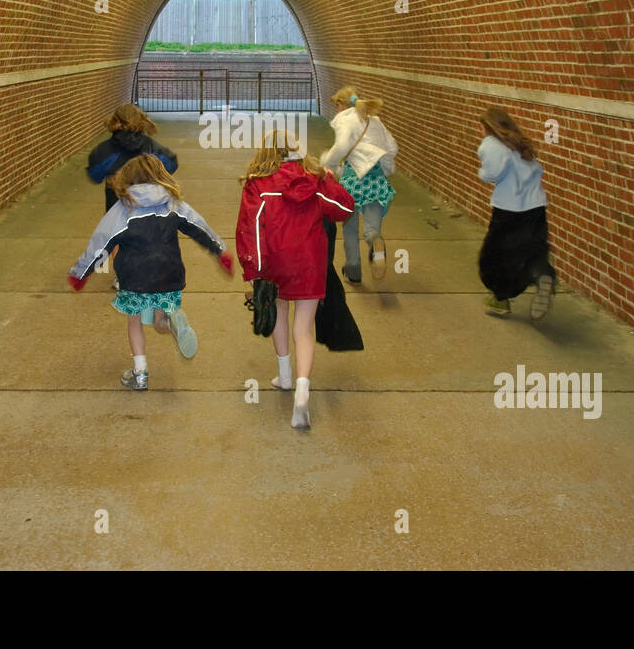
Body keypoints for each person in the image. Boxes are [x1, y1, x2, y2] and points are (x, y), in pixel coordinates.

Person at [69, 154, 232, 390]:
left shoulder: (123, 209)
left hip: (135, 278)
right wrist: (220, 252)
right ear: (161, 176)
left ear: (127, 179)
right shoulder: (173, 203)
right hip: (169, 274)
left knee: (134, 322)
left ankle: (140, 373)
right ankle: (172, 322)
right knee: (159, 321)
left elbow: (101, 244)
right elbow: (199, 227)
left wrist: (80, 274)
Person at [236, 131, 354, 428]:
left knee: (278, 313)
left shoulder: (257, 183)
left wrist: (253, 270)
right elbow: (344, 209)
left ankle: (285, 375)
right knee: (304, 328)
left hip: (275, 261)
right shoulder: (316, 181)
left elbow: (248, 229)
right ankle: (302, 392)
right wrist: (330, 179)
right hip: (309, 262)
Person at [475, 107, 556, 320]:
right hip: (536, 206)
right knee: (531, 250)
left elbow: (492, 173)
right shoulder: (519, 142)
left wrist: (481, 172)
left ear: (486, 127)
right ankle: (542, 275)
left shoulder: (491, 145)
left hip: (509, 209)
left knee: (493, 257)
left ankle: (500, 298)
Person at [320, 86, 398, 283]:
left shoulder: (345, 120)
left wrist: (327, 163)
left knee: (350, 225)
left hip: (353, 178)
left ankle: (353, 269)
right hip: (376, 177)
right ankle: (376, 247)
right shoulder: (375, 120)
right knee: (372, 229)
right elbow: (392, 147)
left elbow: (342, 146)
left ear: (340, 104)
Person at [86, 104, 178, 213]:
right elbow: (171, 164)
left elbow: (95, 175)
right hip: (150, 209)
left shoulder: (103, 151)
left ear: (114, 121)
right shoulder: (152, 148)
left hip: (117, 210)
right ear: (141, 120)